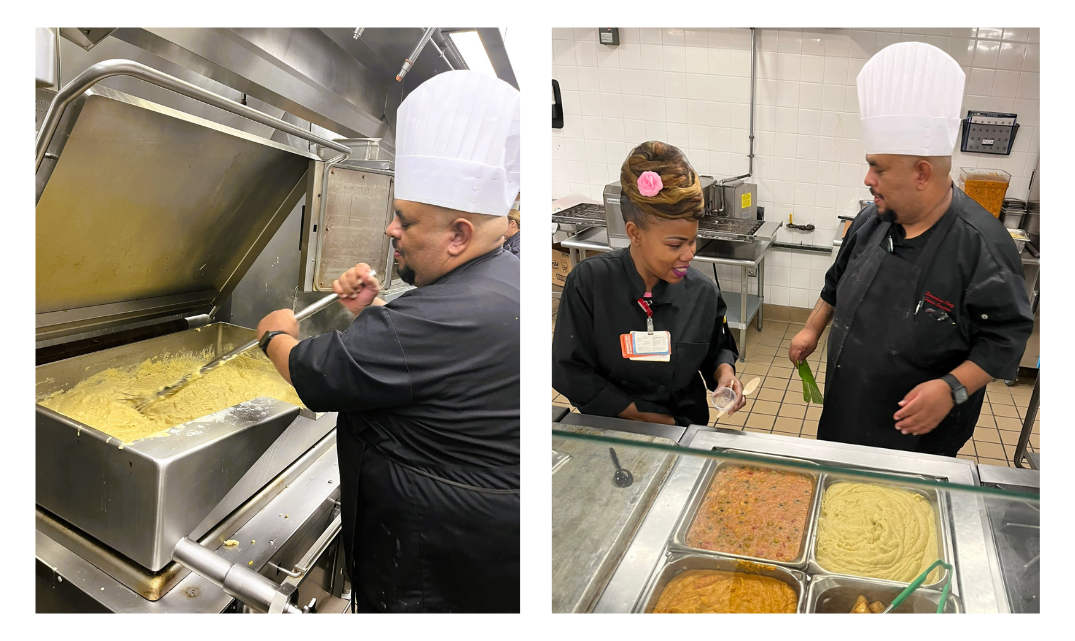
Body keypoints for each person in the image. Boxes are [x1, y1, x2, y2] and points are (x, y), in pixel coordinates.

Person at [254, 70, 520, 612]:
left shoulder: (437, 316)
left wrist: (274, 334)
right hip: (481, 544)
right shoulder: (502, 277)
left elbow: (314, 372)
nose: (390, 231)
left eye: (405, 221)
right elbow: (424, 355)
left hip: (432, 558)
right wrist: (368, 309)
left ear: (458, 235)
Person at [787, 42, 1033, 457]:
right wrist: (813, 327)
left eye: (878, 167)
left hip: (919, 437)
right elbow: (835, 284)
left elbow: (1006, 338)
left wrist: (952, 388)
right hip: (846, 411)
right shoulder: (872, 220)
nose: (868, 178)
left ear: (922, 173)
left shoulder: (981, 246)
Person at [553, 141, 745, 428]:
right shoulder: (590, 283)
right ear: (635, 233)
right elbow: (568, 369)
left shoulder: (702, 292)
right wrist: (644, 416)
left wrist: (725, 376)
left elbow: (716, 350)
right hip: (612, 427)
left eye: (693, 241)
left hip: (684, 427)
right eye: (675, 244)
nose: (689, 253)